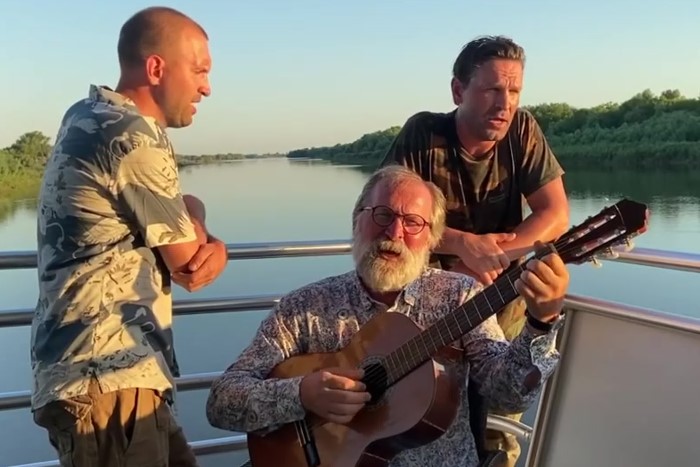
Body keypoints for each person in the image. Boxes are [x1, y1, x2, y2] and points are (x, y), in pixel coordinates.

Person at [205, 165, 568, 467]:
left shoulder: (460, 296)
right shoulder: (305, 308)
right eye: (383, 215)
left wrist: (541, 322)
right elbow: (221, 402)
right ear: (357, 221)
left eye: (413, 223)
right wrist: (301, 393)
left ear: (431, 240)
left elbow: (509, 397)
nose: (394, 233)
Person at [30, 7, 227, 467]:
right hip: (109, 381)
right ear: (156, 68)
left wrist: (188, 211)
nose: (206, 88)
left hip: (96, 375)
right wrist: (202, 222)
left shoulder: (86, 114)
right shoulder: (132, 136)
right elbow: (190, 265)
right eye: (199, 71)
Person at [379, 35, 569, 465]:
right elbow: (385, 215)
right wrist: (462, 244)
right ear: (458, 90)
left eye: (515, 90)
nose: (505, 104)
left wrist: (494, 256)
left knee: (500, 422)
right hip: (429, 309)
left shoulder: (523, 130)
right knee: (427, 419)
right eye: (492, 89)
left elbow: (555, 212)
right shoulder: (423, 134)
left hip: (503, 300)